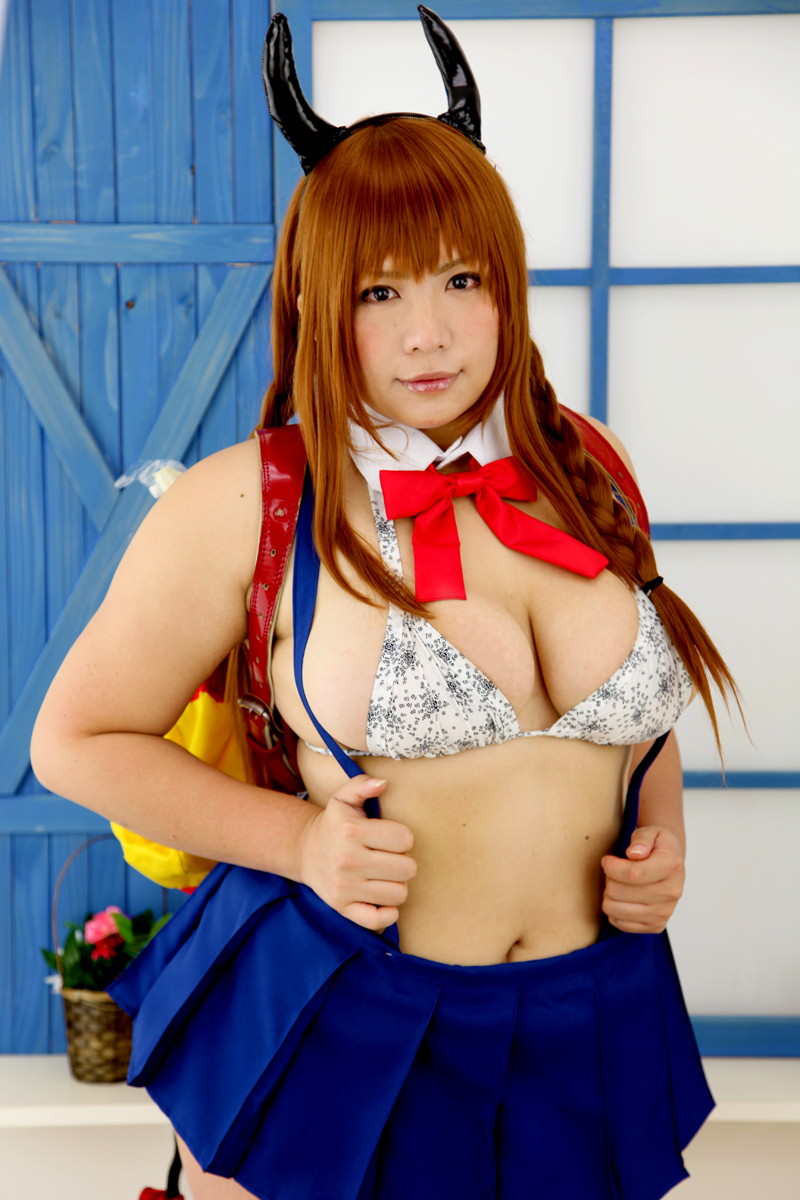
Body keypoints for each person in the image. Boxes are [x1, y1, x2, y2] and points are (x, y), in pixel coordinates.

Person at [31, 9, 739, 1200]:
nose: (428, 333)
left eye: (462, 279)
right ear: (316, 301)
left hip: (583, 1021)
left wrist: (658, 839)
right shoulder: (245, 501)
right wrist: (297, 843)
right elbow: (73, 739)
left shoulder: (589, 464)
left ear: (506, 283)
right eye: (377, 291)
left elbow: (634, 713)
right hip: (345, 1016)